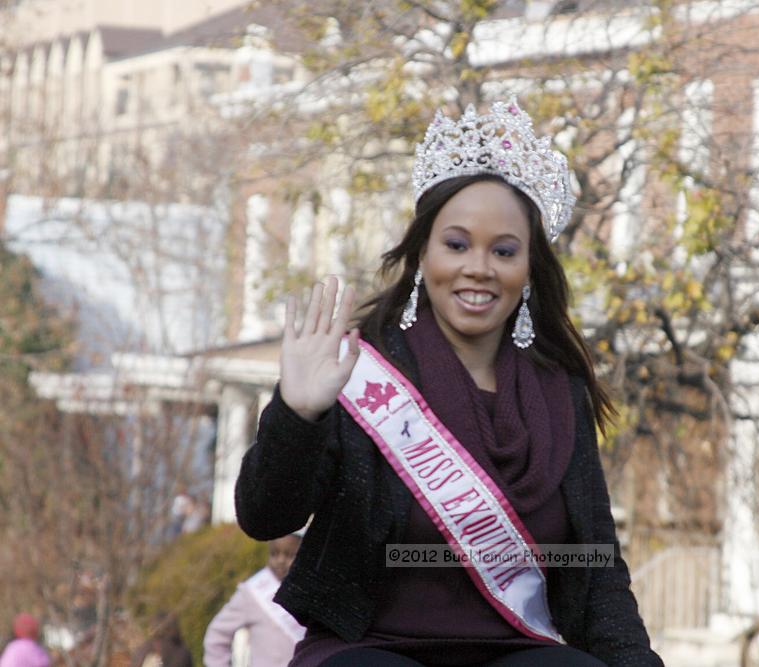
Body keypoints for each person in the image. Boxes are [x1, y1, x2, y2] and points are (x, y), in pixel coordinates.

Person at [235, 98, 662, 666]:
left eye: (504, 251)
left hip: (515, 650)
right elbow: (265, 516)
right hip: (370, 647)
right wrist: (298, 414)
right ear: (422, 255)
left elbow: (596, 568)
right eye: (456, 244)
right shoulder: (352, 370)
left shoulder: (560, 392)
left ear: (529, 269)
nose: (478, 268)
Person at [203, 533, 306, 666]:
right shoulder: (253, 593)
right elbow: (216, 634)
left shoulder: (310, 592)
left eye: (290, 555)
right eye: (274, 554)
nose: (280, 560)